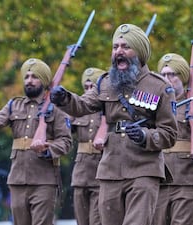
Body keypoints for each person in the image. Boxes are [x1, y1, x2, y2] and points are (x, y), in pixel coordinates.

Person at [49, 23, 178, 225]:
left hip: (145, 170)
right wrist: (64, 98)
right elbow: (82, 105)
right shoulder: (106, 82)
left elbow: (169, 134)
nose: (119, 51)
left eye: (125, 47)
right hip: (110, 169)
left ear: (140, 52)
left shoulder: (160, 87)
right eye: (115, 47)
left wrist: (146, 136)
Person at [0, 58, 72, 225]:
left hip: (44, 180)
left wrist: (47, 149)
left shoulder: (57, 108)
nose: (29, 80)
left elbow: (65, 141)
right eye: (26, 76)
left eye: (34, 77)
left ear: (43, 81)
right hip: (18, 179)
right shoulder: (14, 105)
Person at [152, 53, 193, 225]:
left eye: (172, 74)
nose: (167, 79)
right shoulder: (153, 107)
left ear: (182, 77)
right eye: (163, 75)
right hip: (159, 179)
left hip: (187, 180)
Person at [70, 67, 106, 225]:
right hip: (81, 174)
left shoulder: (108, 110)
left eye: (93, 88)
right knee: (82, 220)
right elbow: (62, 132)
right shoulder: (77, 112)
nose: (89, 91)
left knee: (97, 221)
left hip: (101, 173)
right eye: (86, 88)